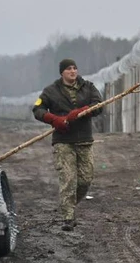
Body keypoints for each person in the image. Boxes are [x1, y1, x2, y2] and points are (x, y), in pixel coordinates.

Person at [32, 58, 104, 231]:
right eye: (69, 69)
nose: (73, 71)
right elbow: (37, 109)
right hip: (63, 141)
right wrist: (53, 119)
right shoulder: (51, 91)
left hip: (84, 139)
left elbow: (99, 105)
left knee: (85, 179)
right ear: (62, 72)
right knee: (68, 179)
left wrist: (81, 112)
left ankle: (69, 204)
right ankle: (68, 217)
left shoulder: (88, 87)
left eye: (75, 68)